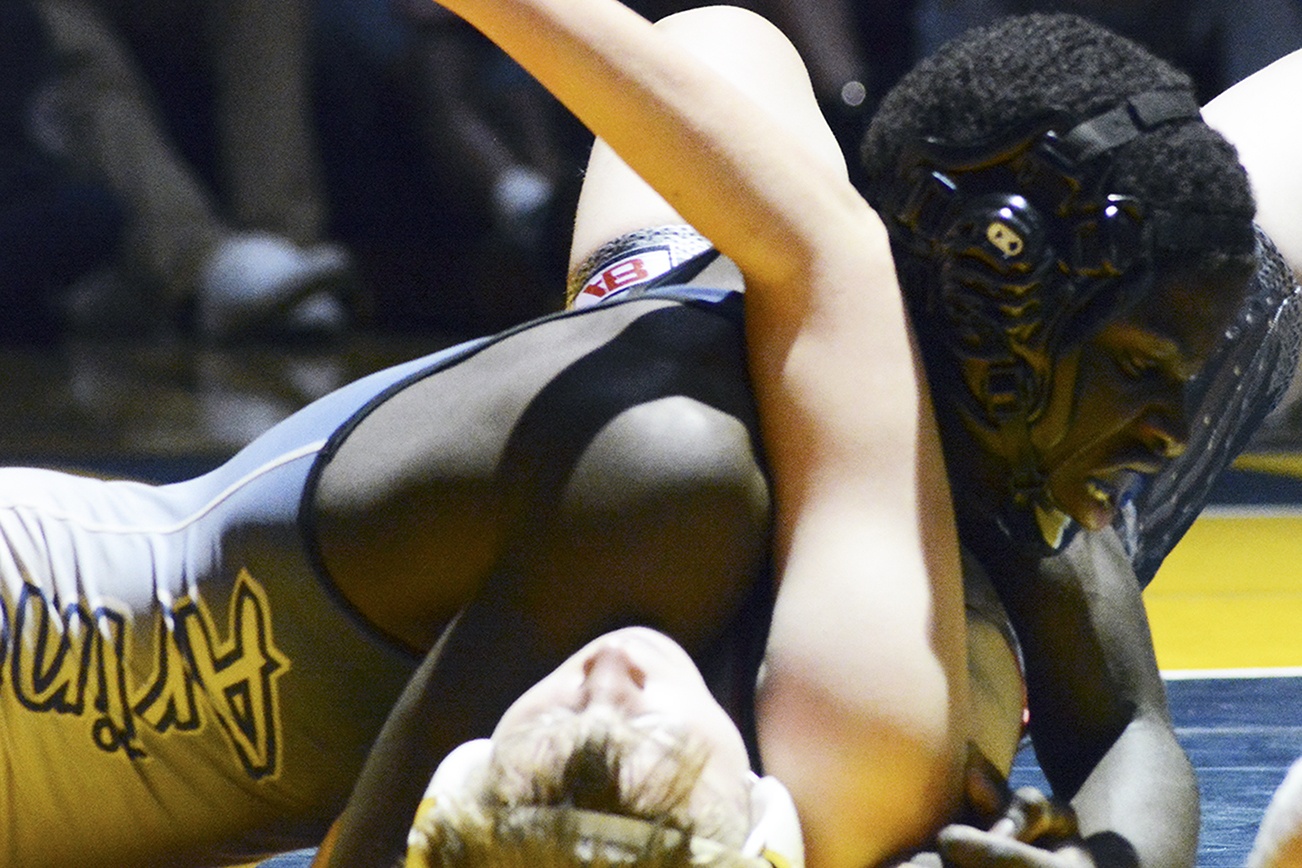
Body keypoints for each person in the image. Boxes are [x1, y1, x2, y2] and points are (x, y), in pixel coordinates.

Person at [0, 3, 968, 866]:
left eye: (550, 774)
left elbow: (814, 224)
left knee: (678, 444)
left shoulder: (669, 478)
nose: (612, 680)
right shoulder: (855, 751)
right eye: (646, 762)